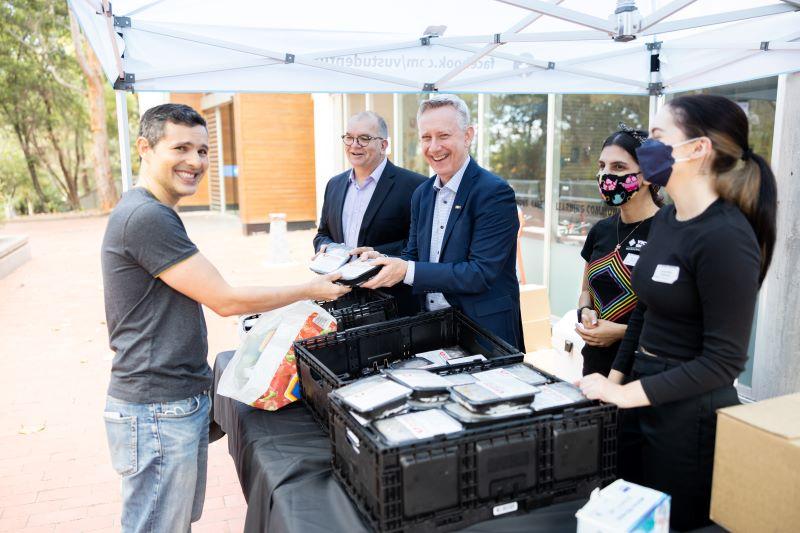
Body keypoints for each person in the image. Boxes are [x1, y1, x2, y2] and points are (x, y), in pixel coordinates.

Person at [101, 103, 349, 533]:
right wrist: (310, 290)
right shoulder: (146, 216)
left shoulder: (151, 211)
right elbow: (226, 299)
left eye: (202, 150)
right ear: (144, 147)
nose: (195, 162)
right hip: (157, 406)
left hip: (167, 400)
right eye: (181, 148)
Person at [578, 94, 777, 531]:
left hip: (689, 418)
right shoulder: (669, 222)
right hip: (639, 396)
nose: (648, 148)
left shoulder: (727, 235)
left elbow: (723, 362)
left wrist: (627, 395)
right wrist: (613, 385)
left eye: (657, 137)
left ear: (698, 148)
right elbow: (646, 312)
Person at [360, 94, 524, 351]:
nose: (434, 147)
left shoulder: (494, 193)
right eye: (426, 137)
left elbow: (479, 273)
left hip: (484, 333)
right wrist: (377, 258)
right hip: (433, 329)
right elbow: (412, 255)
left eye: (443, 136)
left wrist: (406, 269)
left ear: (468, 135)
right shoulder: (422, 195)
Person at [313, 111, 427, 316]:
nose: (354, 145)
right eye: (349, 137)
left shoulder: (415, 186)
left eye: (364, 138)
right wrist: (326, 248)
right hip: (342, 298)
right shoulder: (334, 185)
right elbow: (322, 233)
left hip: (393, 304)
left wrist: (372, 254)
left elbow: (419, 245)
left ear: (383, 145)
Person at [576, 125, 662, 376]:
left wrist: (618, 333)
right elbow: (585, 292)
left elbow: (675, 321)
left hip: (642, 372)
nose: (605, 176)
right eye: (602, 166)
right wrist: (585, 313)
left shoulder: (670, 231)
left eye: (618, 167)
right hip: (594, 363)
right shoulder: (600, 230)